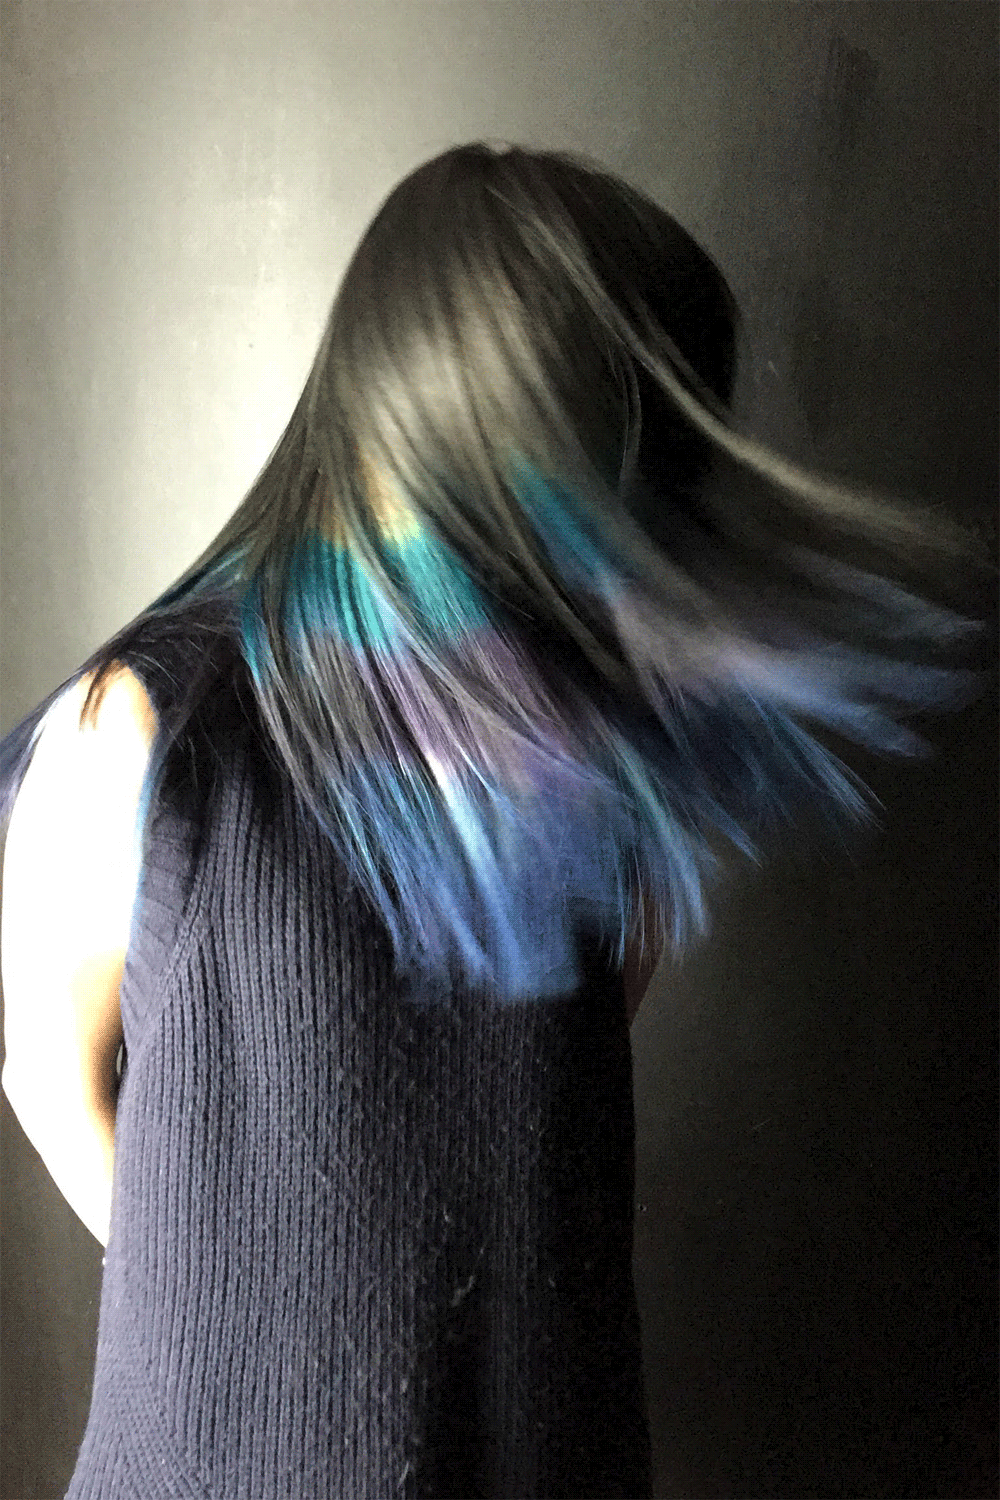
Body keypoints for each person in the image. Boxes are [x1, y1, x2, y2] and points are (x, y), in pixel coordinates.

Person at [0, 140, 990, 1500]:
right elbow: (48, 1076)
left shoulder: (614, 745)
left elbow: (568, 1053)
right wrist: (230, 1315)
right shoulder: (149, 727)